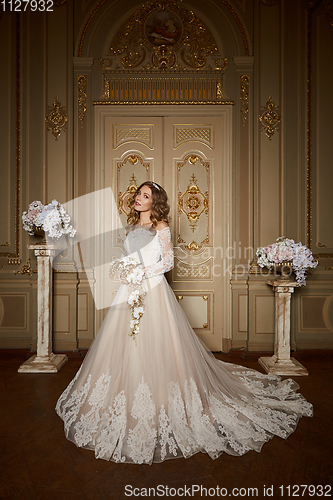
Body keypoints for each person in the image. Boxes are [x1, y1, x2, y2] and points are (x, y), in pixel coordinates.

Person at [56, 181, 312, 464]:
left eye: (146, 196)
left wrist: (140, 272)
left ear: (156, 202)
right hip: (128, 292)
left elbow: (166, 262)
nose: (139, 198)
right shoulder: (130, 228)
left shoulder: (161, 227)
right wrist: (122, 269)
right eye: (138, 194)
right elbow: (125, 259)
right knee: (123, 345)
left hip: (153, 292)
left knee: (158, 346)